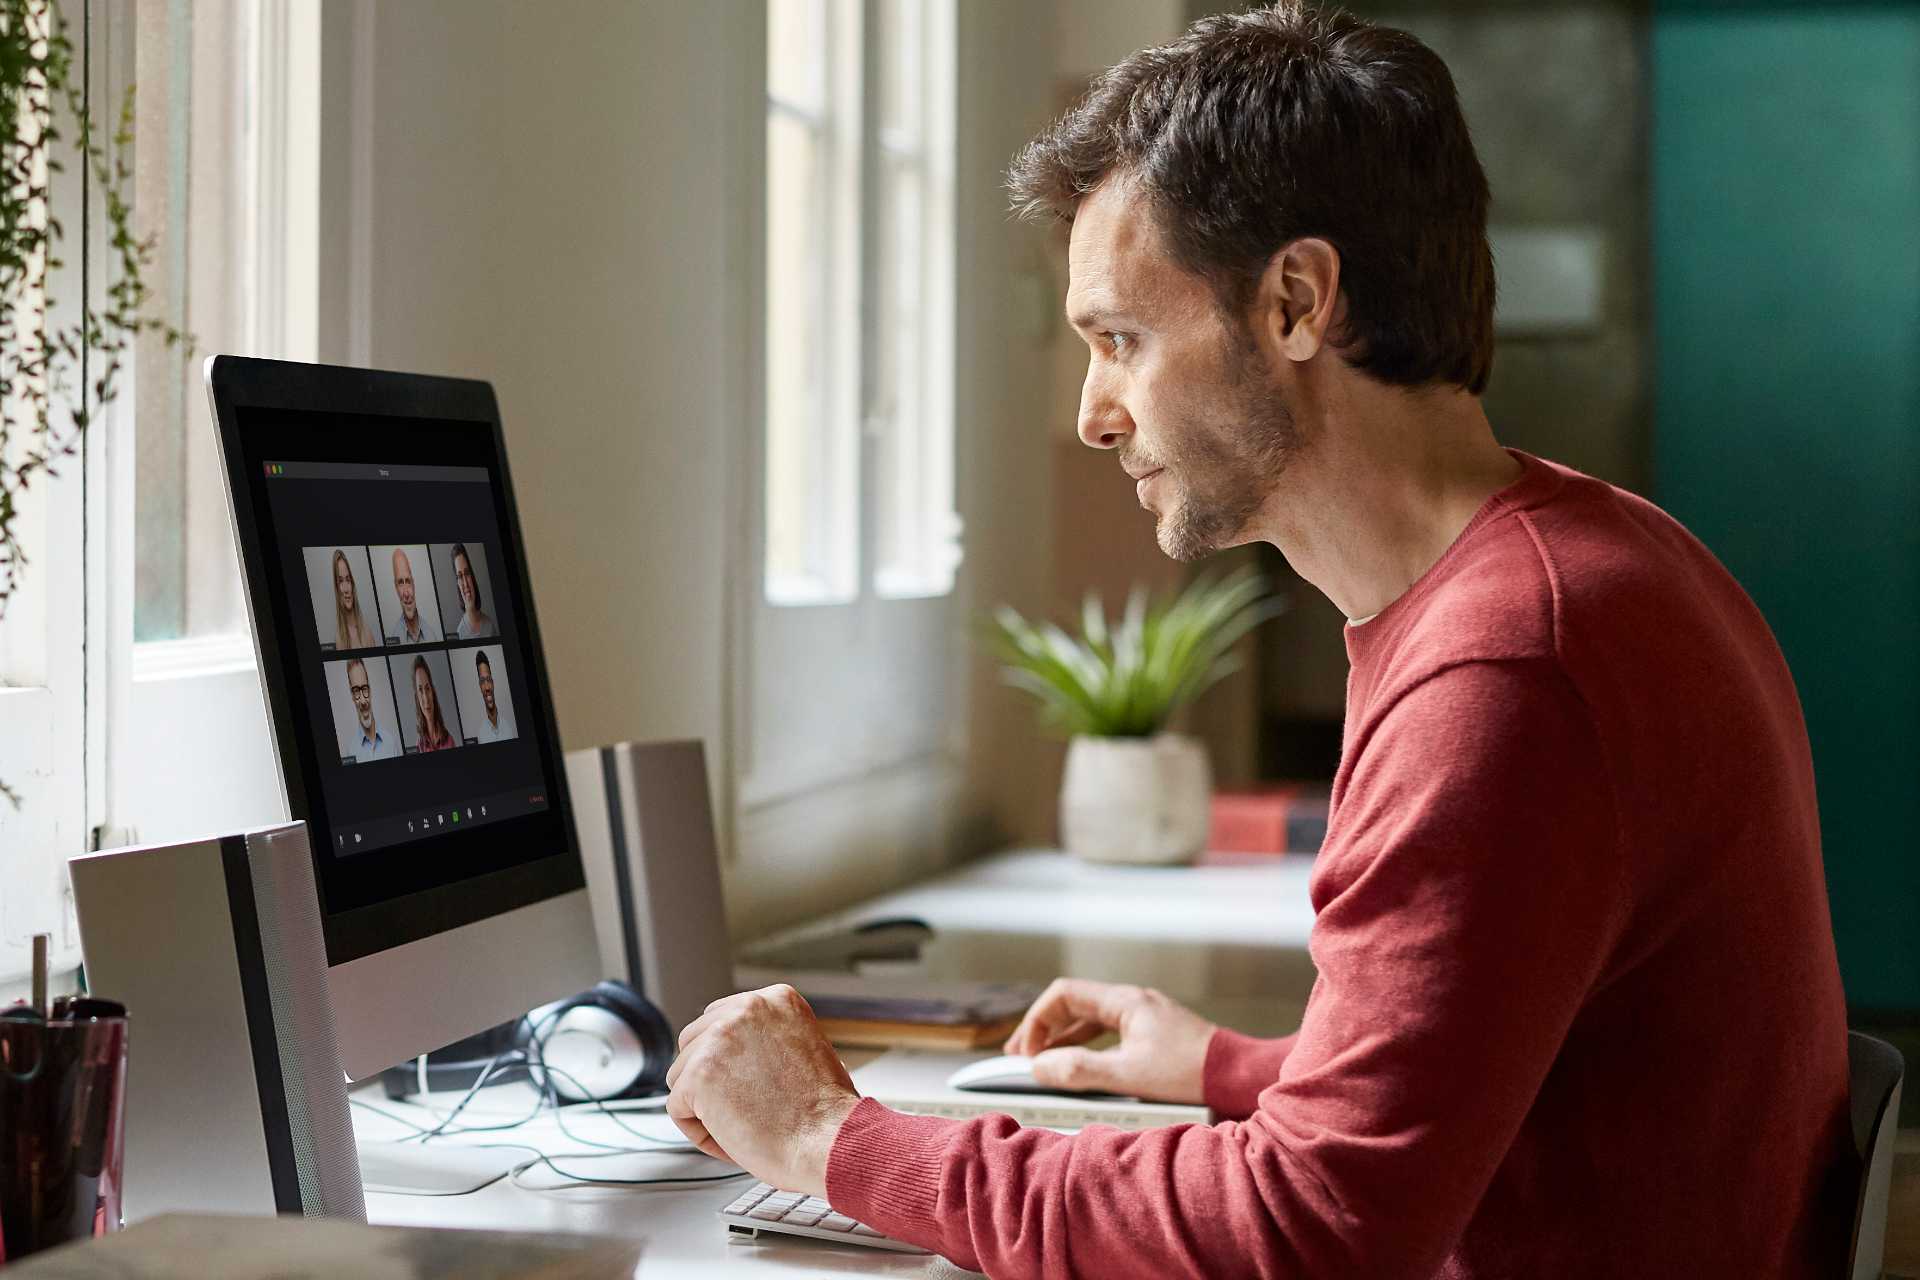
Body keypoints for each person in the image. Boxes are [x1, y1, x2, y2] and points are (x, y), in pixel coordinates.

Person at [665, 6, 1856, 1278]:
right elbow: (1522, 1052)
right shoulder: (1593, 557)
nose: (1094, 416)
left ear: (1295, 301)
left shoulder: (1507, 666)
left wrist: (830, 1138)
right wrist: (1232, 1066)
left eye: (1120, 338)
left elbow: (1309, 1230)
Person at [342, 657, 398, 762]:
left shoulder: (391, 743)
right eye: (356, 691)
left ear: (370, 690)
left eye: (364, 688)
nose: (363, 701)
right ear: (352, 696)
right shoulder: (350, 752)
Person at [330, 549, 378, 650]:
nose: (346, 588)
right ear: (336, 588)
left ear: (353, 584)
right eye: (340, 581)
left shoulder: (367, 632)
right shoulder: (339, 639)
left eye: (348, 579)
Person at [409, 656, 458, 752]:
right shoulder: (419, 747)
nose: (426, 698)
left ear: (433, 692)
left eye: (427, 688)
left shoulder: (449, 741)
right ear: (417, 698)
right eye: (420, 690)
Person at [449, 543, 496, 640]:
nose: (465, 583)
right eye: (460, 576)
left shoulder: (490, 626)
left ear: (472, 577)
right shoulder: (459, 634)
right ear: (457, 584)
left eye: (467, 573)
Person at [390, 547, 434, 644]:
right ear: (396, 588)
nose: (406, 593)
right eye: (401, 583)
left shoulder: (431, 634)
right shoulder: (394, 639)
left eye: (408, 581)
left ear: (414, 585)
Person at [469, 650, 511, 743]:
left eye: (488, 679)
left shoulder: (510, 727)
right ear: (480, 687)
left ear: (493, 683)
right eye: (482, 681)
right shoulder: (481, 734)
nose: (487, 687)